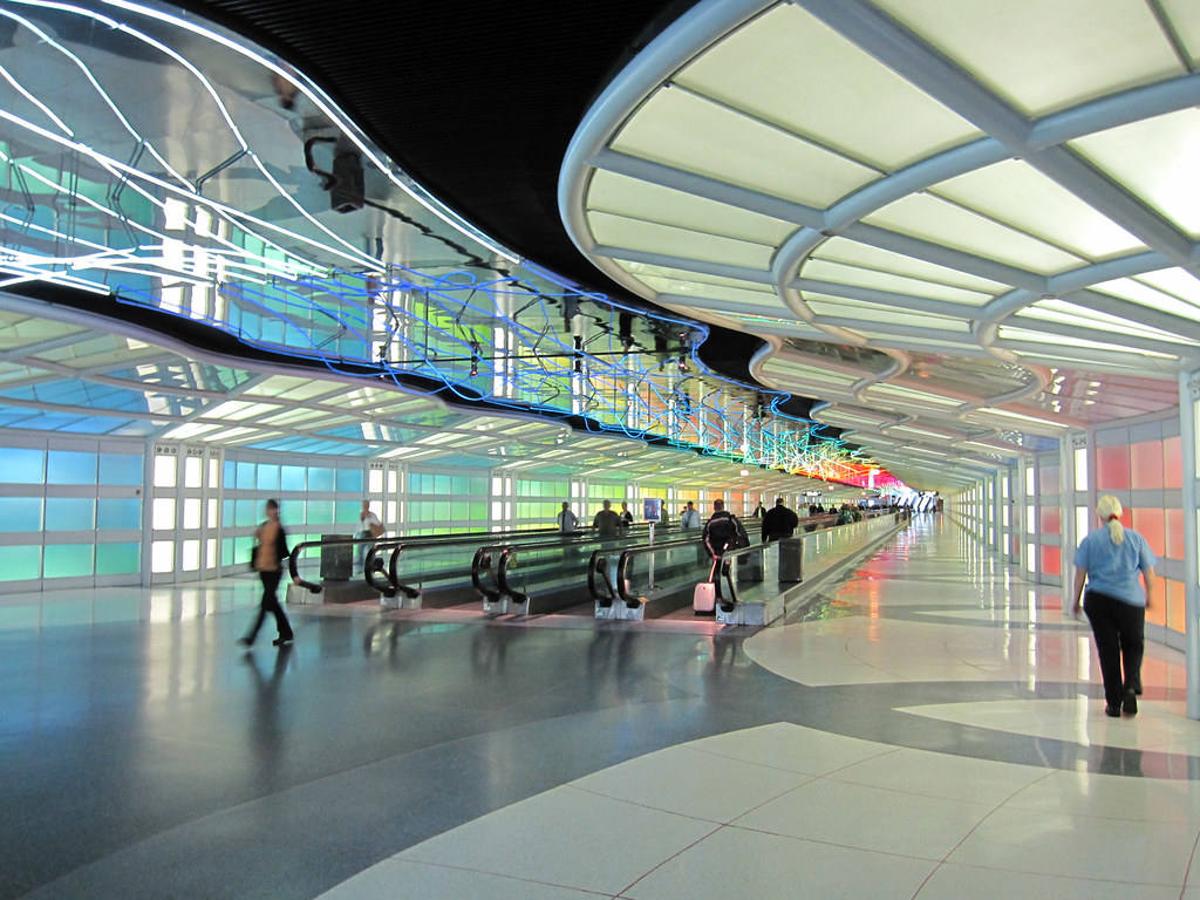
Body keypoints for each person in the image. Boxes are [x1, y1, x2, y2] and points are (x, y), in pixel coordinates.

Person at [1072, 495, 1156, 717]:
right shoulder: (1136, 539)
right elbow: (1149, 572)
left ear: (1099, 516)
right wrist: (1150, 597)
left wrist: (1075, 601)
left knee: (1107, 650)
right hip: (1131, 601)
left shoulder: (1090, 540)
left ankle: (1114, 702)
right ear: (1121, 513)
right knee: (1133, 644)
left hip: (1099, 601)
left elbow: (1080, 574)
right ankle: (1130, 685)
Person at [241, 499, 294, 647]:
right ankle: (286, 632)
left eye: (275, 509)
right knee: (273, 603)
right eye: (270, 509)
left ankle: (251, 637)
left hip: (274, 570)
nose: (273, 512)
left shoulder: (280, 529)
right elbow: (259, 546)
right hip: (264, 570)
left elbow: (284, 552)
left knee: (265, 604)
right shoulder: (263, 527)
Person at [703, 500, 749, 599]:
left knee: (716, 574)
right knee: (728, 573)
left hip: (717, 554)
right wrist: (742, 551)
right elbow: (741, 534)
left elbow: (706, 539)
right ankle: (731, 596)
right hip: (730, 553)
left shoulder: (710, 522)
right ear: (723, 506)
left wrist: (712, 554)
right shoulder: (730, 519)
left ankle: (718, 596)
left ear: (714, 507)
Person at [355, 500, 384, 573]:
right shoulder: (360, 515)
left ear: (368, 506)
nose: (365, 506)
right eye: (364, 505)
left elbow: (378, 523)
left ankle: (372, 565)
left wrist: (370, 519)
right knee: (360, 550)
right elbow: (358, 526)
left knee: (371, 550)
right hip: (363, 533)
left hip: (370, 534)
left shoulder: (372, 515)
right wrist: (356, 535)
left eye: (366, 505)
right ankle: (360, 567)